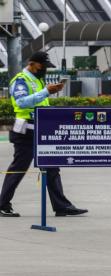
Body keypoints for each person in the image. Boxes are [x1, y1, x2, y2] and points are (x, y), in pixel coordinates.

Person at [0, 51, 88, 217]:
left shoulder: (38, 80)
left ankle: (62, 206)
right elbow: (21, 102)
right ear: (31, 63)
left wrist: (50, 93)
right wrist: (46, 91)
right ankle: (2, 204)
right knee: (19, 168)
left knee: (52, 167)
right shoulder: (20, 80)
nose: (44, 69)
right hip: (26, 131)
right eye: (42, 66)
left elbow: (40, 102)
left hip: (42, 130)